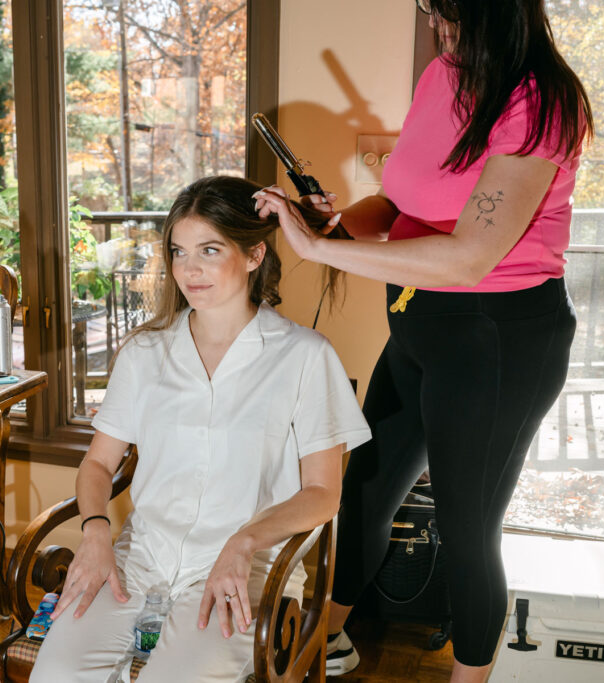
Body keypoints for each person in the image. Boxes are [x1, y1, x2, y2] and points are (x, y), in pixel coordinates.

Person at [254, 1, 593, 681]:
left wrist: (320, 253)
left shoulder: (543, 103)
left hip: (497, 341)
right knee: (366, 492)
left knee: (469, 533)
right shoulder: (442, 75)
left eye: (450, 17)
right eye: (433, 15)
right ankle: (315, 649)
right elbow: (403, 201)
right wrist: (339, 222)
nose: (440, 32)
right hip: (419, 324)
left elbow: (470, 256)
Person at [30, 175, 370, 682]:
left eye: (209, 250)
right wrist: (96, 531)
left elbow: (324, 493)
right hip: (139, 558)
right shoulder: (146, 352)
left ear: (255, 255)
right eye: (179, 252)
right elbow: (99, 464)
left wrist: (245, 541)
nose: (190, 270)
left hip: (247, 567)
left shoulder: (305, 356)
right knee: (55, 675)